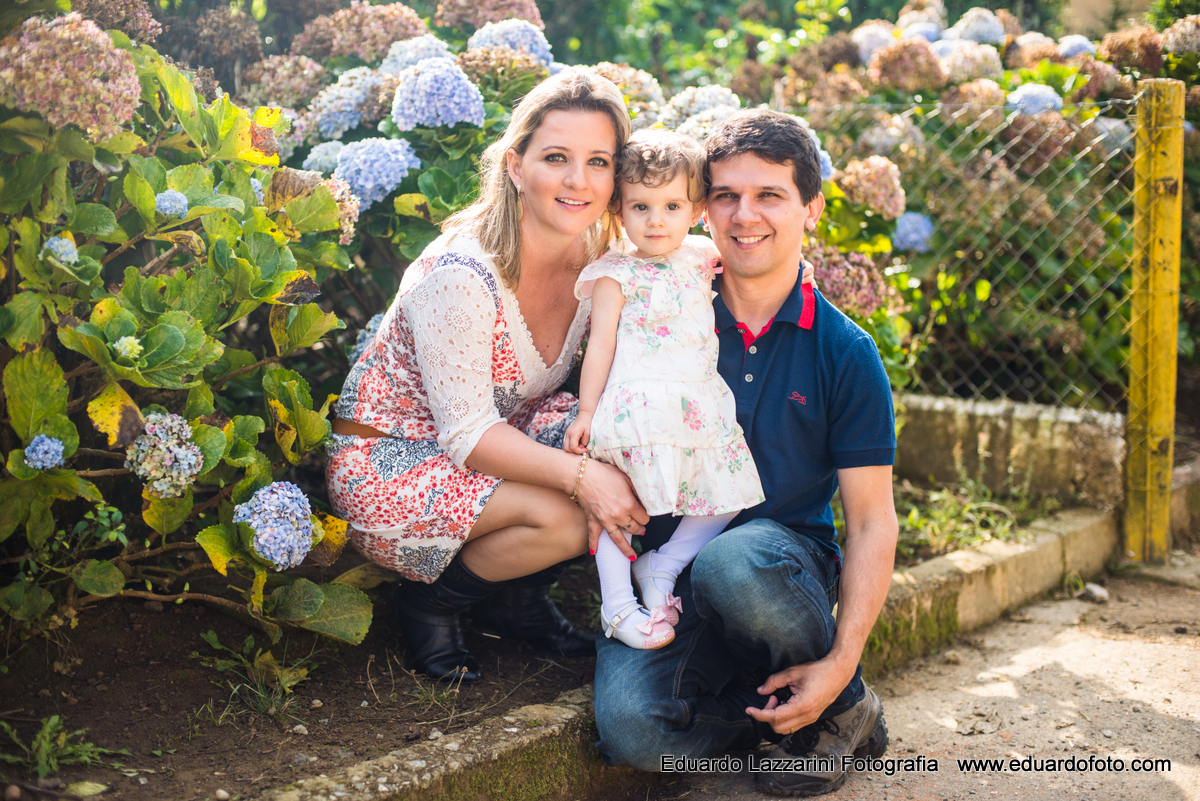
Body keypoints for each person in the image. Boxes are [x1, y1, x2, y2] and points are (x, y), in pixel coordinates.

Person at [593, 108, 900, 798]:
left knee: (735, 560)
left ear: (810, 209)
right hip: (668, 576)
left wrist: (843, 656)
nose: (744, 215)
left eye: (769, 195)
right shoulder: (661, 312)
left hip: (778, 573)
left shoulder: (844, 352)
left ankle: (836, 699)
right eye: (726, 195)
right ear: (703, 208)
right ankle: (770, 720)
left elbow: (874, 521)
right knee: (633, 733)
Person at [325, 69, 650, 685]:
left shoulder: (600, 261)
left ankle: (518, 600)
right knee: (572, 514)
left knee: (640, 435)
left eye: (598, 161)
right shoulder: (462, 274)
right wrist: (586, 479)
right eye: (556, 157)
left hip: (497, 435)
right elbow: (468, 435)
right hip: (392, 459)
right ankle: (433, 603)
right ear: (515, 165)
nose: (578, 180)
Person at [564, 130, 771, 650]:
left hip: (697, 401)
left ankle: (664, 564)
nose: (656, 220)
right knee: (621, 506)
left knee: (728, 491)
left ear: (696, 208)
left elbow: (756, 272)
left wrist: (803, 273)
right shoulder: (616, 273)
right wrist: (587, 410)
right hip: (636, 403)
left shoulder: (701, 255)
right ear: (619, 211)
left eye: (671, 205)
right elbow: (602, 344)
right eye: (641, 206)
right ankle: (616, 605)